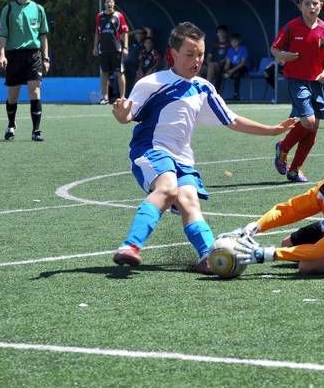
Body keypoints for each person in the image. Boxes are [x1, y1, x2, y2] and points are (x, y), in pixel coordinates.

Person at [111, 21, 296, 273]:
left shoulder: (203, 88)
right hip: (151, 149)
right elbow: (128, 116)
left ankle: (209, 257)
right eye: (189, 54)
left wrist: (272, 129)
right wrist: (121, 114)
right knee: (167, 188)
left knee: (189, 201)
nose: (196, 60)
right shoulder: (152, 83)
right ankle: (130, 246)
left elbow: (232, 119)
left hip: (183, 158)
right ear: (173, 54)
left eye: (200, 54)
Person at [272, 0, 324, 183]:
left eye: (315, 3)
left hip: (318, 83)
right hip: (297, 81)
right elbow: (275, 49)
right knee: (307, 122)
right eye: (307, 3)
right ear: (300, 6)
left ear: (321, 5)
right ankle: (283, 147)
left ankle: (294, 170)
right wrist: (282, 55)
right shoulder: (292, 27)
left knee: (313, 128)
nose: (312, 7)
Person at [0, 0, 51, 142]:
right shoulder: (8, 9)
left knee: (35, 90)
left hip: (33, 54)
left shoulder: (38, 9)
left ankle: (36, 131)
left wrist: (46, 58)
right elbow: (2, 36)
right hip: (14, 55)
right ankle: (11, 125)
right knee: (13, 95)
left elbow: (43, 37)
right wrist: (1, 55)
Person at [92, 0, 129, 104]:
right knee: (104, 73)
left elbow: (125, 32)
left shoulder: (119, 16)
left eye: (111, 2)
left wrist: (125, 47)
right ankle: (105, 98)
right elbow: (97, 33)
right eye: (107, 2)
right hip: (103, 49)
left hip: (117, 49)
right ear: (105, 3)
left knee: (120, 72)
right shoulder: (99, 16)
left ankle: (122, 97)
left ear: (114, 3)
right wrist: (95, 47)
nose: (109, 4)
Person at [222, 33, 249, 100]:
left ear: (239, 41)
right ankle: (217, 94)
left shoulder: (243, 49)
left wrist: (231, 71)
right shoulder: (230, 50)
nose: (233, 43)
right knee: (221, 73)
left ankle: (236, 94)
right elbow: (228, 63)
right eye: (232, 41)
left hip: (242, 68)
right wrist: (226, 70)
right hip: (233, 68)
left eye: (235, 41)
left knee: (236, 74)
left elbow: (242, 63)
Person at [206, 25, 230, 90]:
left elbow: (230, 57)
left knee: (212, 65)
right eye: (219, 32)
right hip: (213, 66)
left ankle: (207, 87)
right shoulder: (214, 44)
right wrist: (208, 64)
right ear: (217, 33)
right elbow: (209, 57)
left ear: (226, 33)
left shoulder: (229, 44)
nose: (221, 33)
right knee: (200, 69)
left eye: (223, 32)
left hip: (224, 66)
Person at [124, 26, 146, 96]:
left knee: (133, 81)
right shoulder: (132, 42)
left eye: (140, 33)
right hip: (127, 64)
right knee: (123, 79)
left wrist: (145, 31)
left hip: (136, 65)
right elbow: (125, 36)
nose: (138, 35)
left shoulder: (144, 43)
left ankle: (131, 95)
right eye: (137, 33)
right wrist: (135, 31)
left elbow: (149, 33)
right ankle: (124, 95)